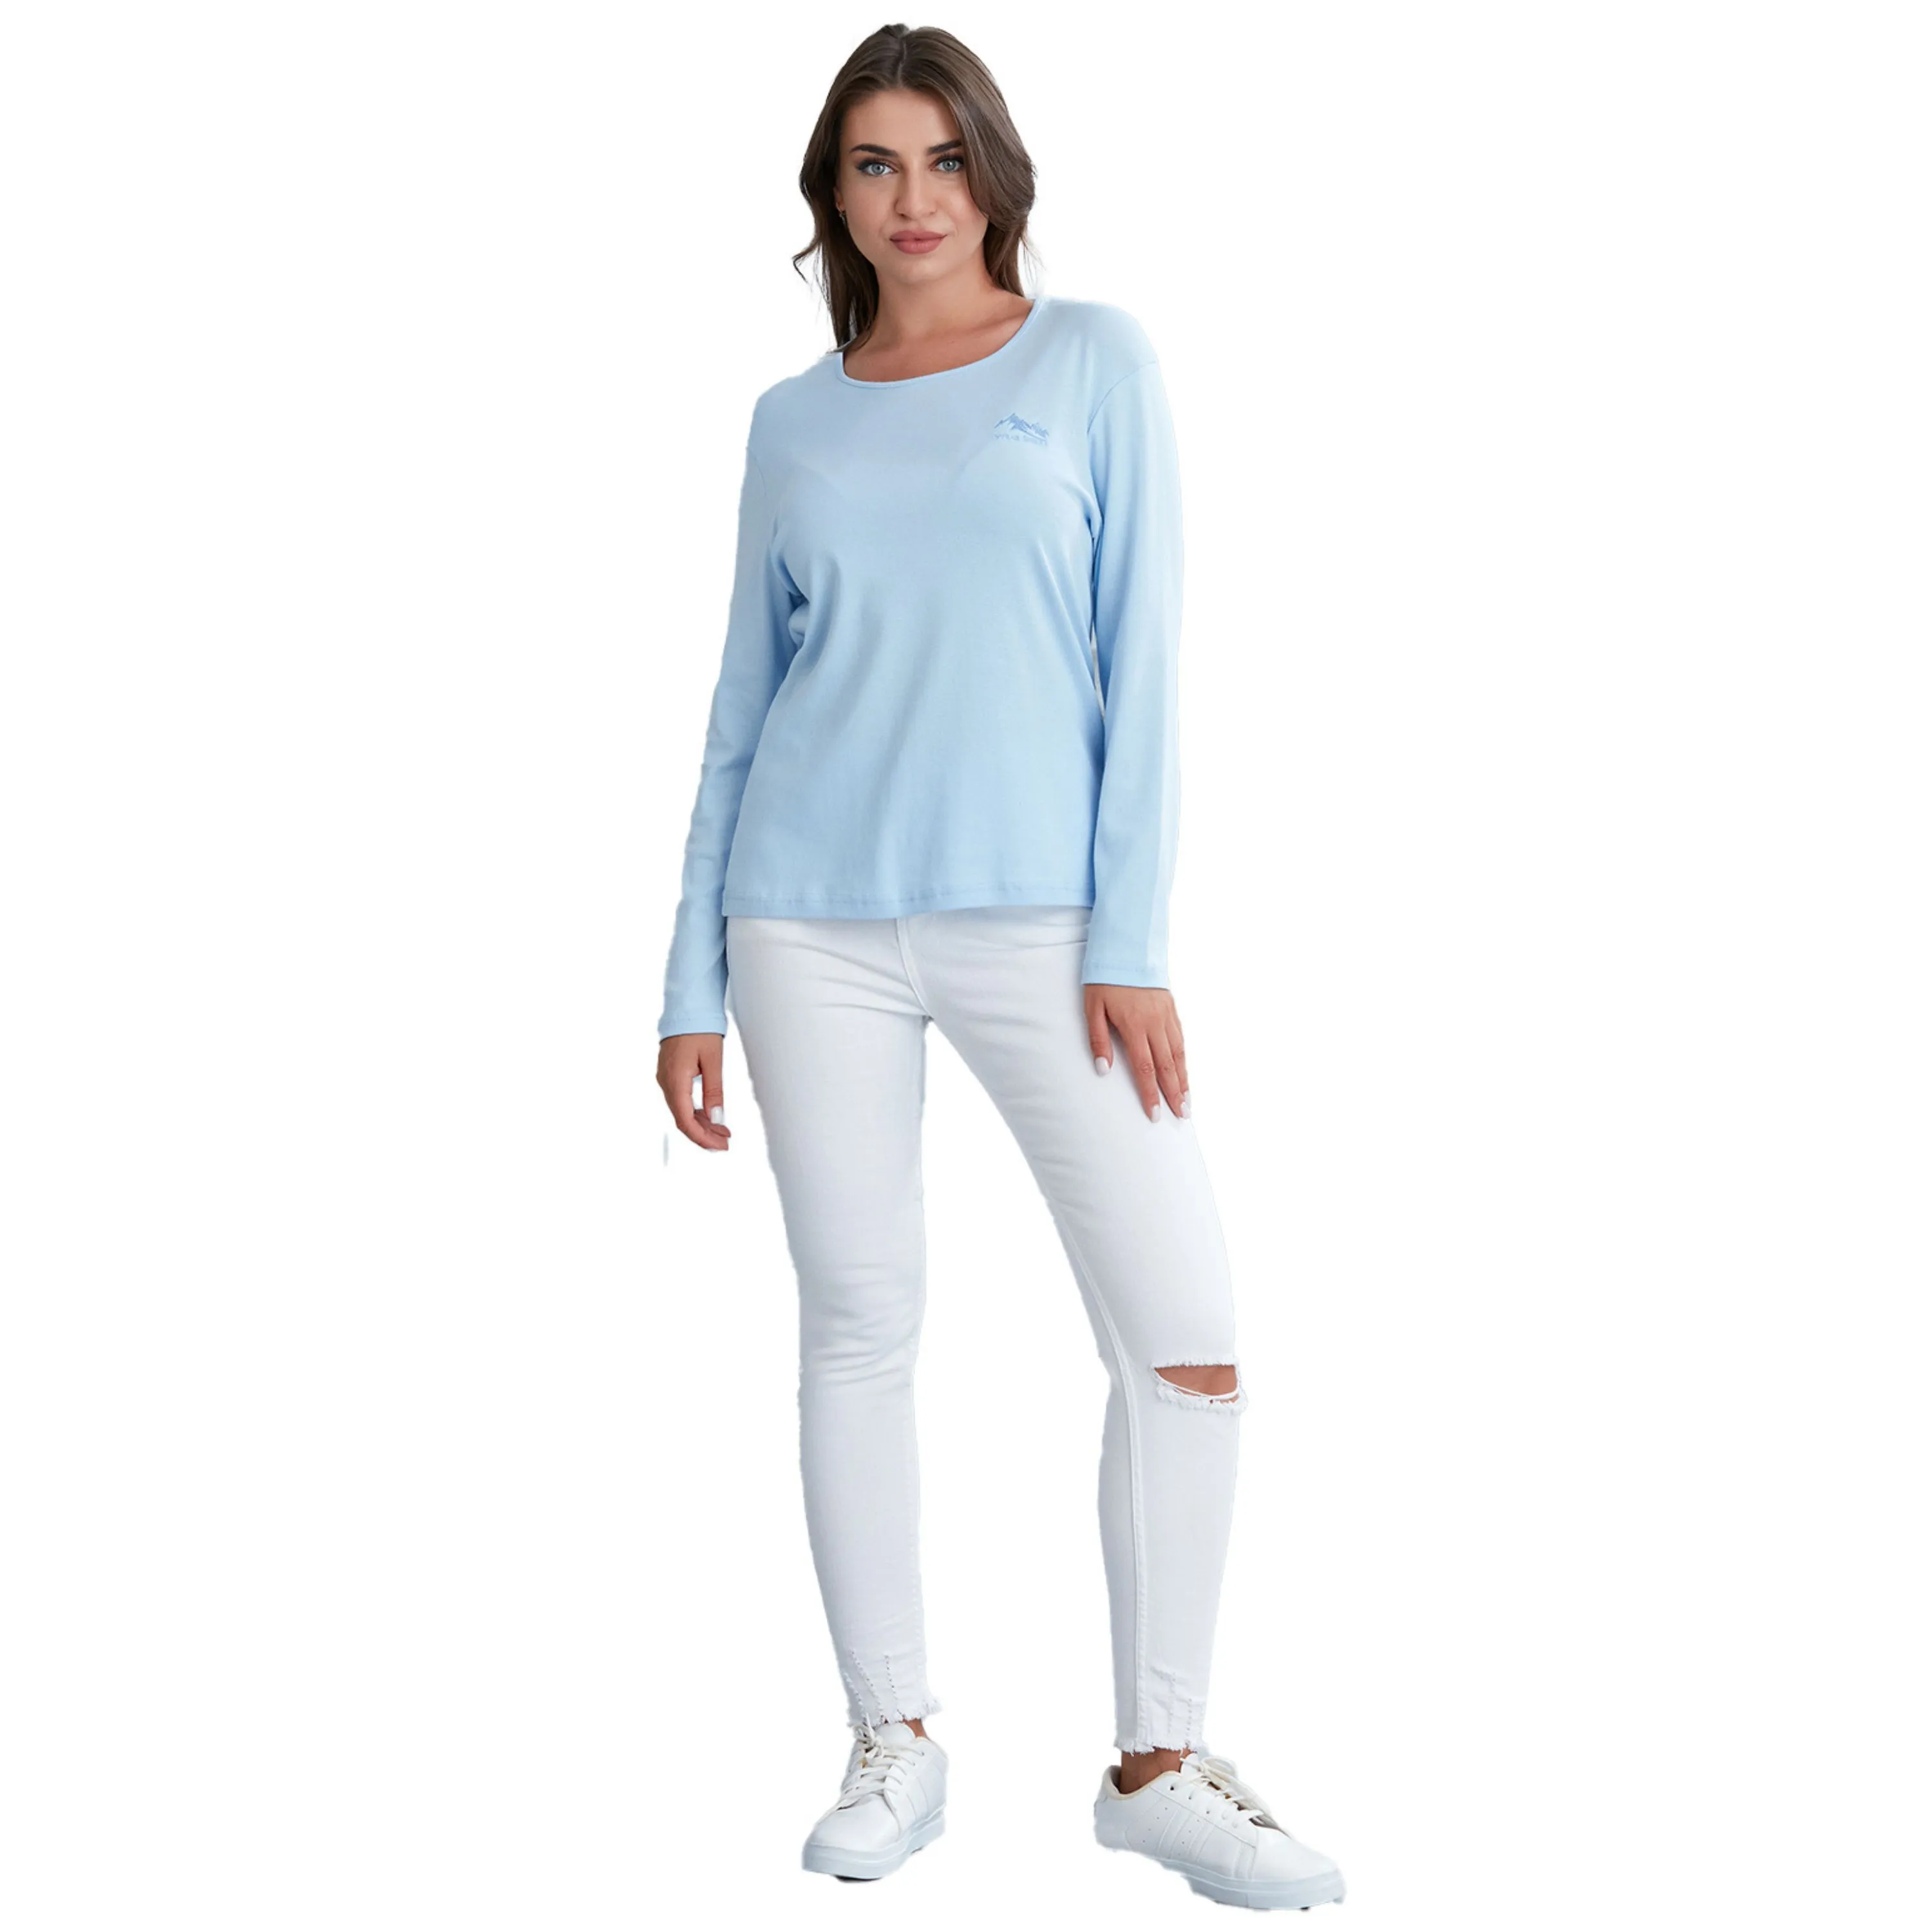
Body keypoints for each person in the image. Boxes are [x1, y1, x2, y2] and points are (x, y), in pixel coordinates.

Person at [655, 24, 1344, 1913]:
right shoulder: (791, 422)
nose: (914, 200)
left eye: (943, 159)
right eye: (874, 165)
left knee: (1186, 1338)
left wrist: (1133, 939)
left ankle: (1160, 1762)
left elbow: (1148, 663)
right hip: (804, 921)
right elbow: (740, 709)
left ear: (995, 173)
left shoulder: (1094, 363)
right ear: (835, 197)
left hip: (1044, 923)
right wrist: (690, 979)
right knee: (858, 1326)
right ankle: (893, 1737)